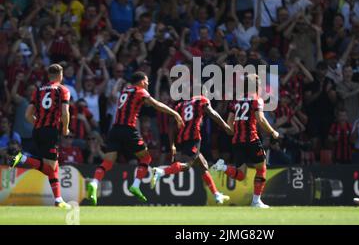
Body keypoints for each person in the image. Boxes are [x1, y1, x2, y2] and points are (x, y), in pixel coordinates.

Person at [86, 72, 183, 205]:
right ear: (142, 81)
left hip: (114, 130)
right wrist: (175, 113)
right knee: (146, 158)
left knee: (107, 163)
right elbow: (156, 104)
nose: (148, 83)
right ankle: (136, 185)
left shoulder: (125, 90)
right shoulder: (140, 91)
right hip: (128, 130)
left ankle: (94, 183)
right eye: (147, 81)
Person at [151, 89, 233, 204]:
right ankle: (161, 171)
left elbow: (171, 125)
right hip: (193, 138)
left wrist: (172, 144)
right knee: (187, 165)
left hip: (181, 139)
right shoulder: (201, 100)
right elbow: (213, 114)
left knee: (203, 164)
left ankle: (216, 195)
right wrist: (225, 126)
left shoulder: (180, 105)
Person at [211, 74, 280, 208]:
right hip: (252, 139)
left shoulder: (235, 101)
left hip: (237, 141)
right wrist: (272, 132)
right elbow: (260, 119)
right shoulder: (256, 100)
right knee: (261, 168)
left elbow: (229, 121)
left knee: (241, 175)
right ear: (256, 86)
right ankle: (256, 201)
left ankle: (222, 167)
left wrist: (232, 131)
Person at [8, 64, 71, 209]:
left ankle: (58, 199)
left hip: (37, 131)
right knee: (50, 168)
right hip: (50, 131)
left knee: (53, 167)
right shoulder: (63, 90)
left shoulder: (38, 90)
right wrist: (66, 128)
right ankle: (22, 157)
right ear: (61, 75)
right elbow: (65, 112)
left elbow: (27, 114)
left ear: (48, 75)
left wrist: (38, 124)